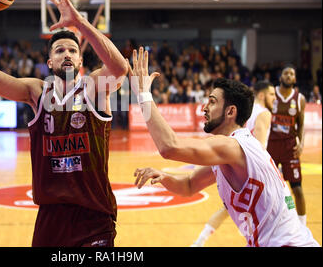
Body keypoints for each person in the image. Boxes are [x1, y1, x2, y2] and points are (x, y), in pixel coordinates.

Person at [0, 0, 127, 247]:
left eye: (73, 51)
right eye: (59, 50)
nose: (67, 54)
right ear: (49, 62)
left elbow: (120, 68)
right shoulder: (36, 91)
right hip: (51, 217)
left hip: (94, 215)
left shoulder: (94, 87)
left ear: (80, 61)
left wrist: (79, 22)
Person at [128, 48, 319, 247]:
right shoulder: (230, 152)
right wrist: (163, 177)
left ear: (230, 112)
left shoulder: (232, 146)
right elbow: (189, 185)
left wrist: (143, 95)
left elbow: (169, 147)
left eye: (212, 102)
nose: (204, 107)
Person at [191, 80, 276, 246]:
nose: (274, 97)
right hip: (248, 170)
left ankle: (199, 241)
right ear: (261, 94)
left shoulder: (248, 113)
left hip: (235, 162)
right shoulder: (263, 113)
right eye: (272, 94)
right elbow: (259, 146)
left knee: (227, 209)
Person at [267, 65, 308, 226]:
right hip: (270, 146)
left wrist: (301, 143)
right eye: (286, 73)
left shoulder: (300, 99)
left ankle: (302, 226)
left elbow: (301, 125)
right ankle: (270, 221)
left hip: (289, 147)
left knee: (297, 189)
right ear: (281, 77)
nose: (289, 76)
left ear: (295, 79)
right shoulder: (271, 94)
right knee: (270, 189)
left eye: (292, 74)